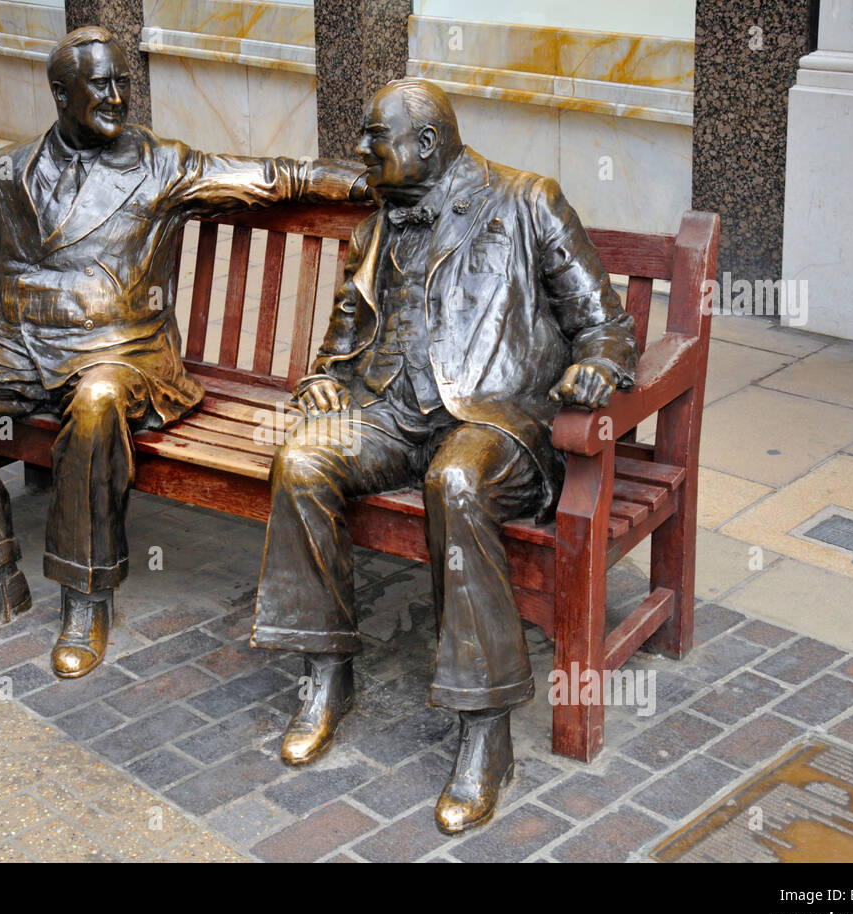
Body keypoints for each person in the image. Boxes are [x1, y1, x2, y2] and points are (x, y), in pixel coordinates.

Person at [0, 26, 366, 678]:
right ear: (61, 94)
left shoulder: (161, 164)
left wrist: (364, 182)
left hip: (123, 354)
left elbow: (272, 178)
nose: (118, 96)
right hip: (17, 349)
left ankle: (86, 595)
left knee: (96, 400)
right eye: (101, 86)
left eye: (124, 82)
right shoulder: (3, 173)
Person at [249, 78, 639, 834]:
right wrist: (324, 382)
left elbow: (607, 324)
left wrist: (594, 368)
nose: (361, 152)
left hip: (492, 420)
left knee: (453, 478)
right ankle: (327, 674)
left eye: (374, 138)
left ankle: (485, 728)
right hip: (390, 410)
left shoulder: (527, 200)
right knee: (300, 459)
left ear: (426, 145)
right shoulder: (376, 226)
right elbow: (342, 338)